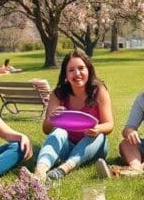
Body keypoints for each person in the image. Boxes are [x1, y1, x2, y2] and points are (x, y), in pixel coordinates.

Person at [33, 50, 114, 180]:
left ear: (88, 70)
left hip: (92, 145)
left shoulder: (99, 91)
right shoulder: (58, 94)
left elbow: (109, 124)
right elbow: (46, 129)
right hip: (68, 145)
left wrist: (98, 129)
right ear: (65, 74)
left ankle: (64, 168)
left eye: (81, 68)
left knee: (99, 136)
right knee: (59, 131)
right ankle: (40, 171)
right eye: (71, 70)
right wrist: (51, 119)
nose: (77, 73)